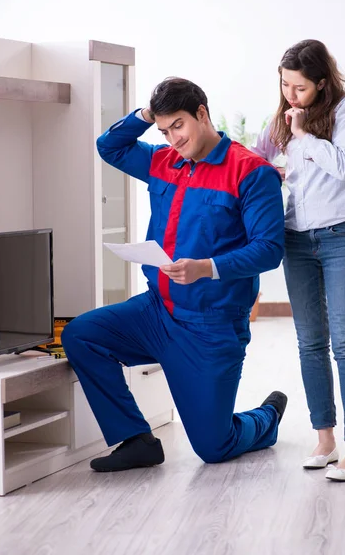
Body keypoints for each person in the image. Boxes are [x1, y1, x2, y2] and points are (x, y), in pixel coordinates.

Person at [61, 77, 287, 472]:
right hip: (156, 311)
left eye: (178, 125)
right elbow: (108, 146)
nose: (172, 139)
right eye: (163, 130)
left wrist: (207, 268)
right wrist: (149, 113)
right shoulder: (163, 161)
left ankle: (265, 419)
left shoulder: (252, 171)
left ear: (202, 114)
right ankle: (137, 440)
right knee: (81, 334)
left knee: (214, 447)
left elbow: (269, 249)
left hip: (211, 325)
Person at [252, 39, 345, 482]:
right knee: (310, 343)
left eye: (299, 88)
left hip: (342, 233)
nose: (290, 95)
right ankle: (325, 439)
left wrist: (303, 138)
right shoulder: (282, 118)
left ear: (322, 83)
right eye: (285, 85)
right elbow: (254, 158)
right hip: (297, 238)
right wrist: (273, 169)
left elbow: (342, 165)